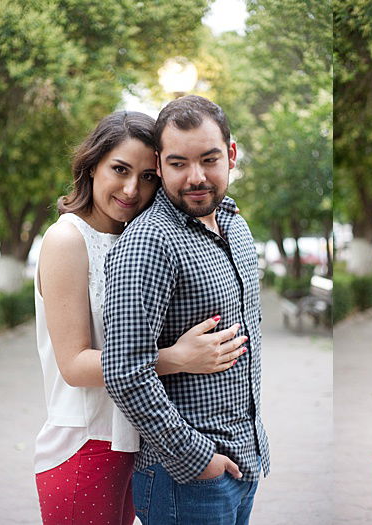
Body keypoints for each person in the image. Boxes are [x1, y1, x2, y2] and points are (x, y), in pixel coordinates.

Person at [34, 111, 249, 525]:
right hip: (85, 445)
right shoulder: (67, 239)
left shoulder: (133, 236)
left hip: (132, 445)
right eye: (119, 169)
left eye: (148, 176)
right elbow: (74, 365)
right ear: (92, 165)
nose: (132, 188)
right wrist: (175, 357)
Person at [102, 95, 269, 525]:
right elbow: (125, 370)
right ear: (159, 164)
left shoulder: (234, 222)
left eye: (209, 159)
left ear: (230, 155)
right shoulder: (149, 241)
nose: (196, 177)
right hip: (187, 479)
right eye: (178, 164)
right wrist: (197, 458)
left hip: (243, 459)